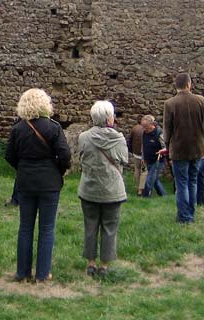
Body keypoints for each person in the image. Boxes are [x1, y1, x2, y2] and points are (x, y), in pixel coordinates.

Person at [5, 89, 72, 283]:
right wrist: (57, 169)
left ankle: (22, 272)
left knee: (25, 227)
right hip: (49, 182)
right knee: (47, 228)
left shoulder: (18, 128)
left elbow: (9, 155)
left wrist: (23, 166)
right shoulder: (53, 128)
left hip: (25, 181)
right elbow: (65, 155)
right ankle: (42, 274)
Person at [78, 100, 128, 279]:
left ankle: (90, 263)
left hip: (89, 188)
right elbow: (124, 160)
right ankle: (104, 265)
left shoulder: (84, 137)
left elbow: (81, 158)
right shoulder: (119, 138)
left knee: (90, 226)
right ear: (109, 118)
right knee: (110, 228)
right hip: (112, 191)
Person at [163, 72, 204, 223]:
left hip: (179, 149)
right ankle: (190, 213)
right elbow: (203, 123)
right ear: (189, 84)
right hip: (197, 148)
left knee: (181, 183)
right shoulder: (200, 101)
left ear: (176, 86)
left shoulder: (170, 104)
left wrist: (167, 149)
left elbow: (167, 131)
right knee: (192, 181)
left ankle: (184, 216)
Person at [140, 115, 166, 197]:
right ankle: (163, 196)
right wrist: (143, 157)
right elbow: (144, 146)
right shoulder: (144, 133)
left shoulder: (159, 133)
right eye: (143, 126)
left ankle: (145, 198)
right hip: (148, 160)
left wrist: (163, 151)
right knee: (155, 180)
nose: (144, 129)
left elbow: (165, 147)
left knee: (149, 180)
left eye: (146, 127)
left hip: (157, 160)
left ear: (151, 124)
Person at [126, 116, 145, 196]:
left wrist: (131, 150)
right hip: (143, 154)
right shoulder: (145, 129)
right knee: (143, 171)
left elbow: (129, 141)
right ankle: (140, 190)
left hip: (136, 153)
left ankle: (137, 186)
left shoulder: (134, 128)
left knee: (137, 169)